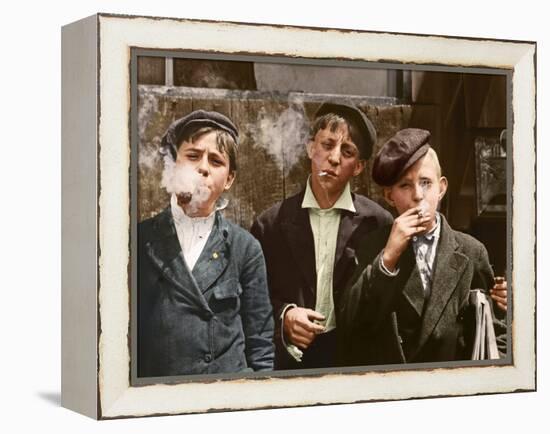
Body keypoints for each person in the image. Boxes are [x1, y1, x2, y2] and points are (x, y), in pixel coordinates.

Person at [339, 128, 507, 365]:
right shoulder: (374, 246)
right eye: (405, 186)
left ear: (442, 188)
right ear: (389, 196)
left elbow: (495, 329)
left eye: (426, 183)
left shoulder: (471, 251)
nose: (418, 195)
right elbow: (351, 325)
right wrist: (387, 259)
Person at [251, 102, 393, 369]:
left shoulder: (378, 224)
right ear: (310, 148)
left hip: (354, 363)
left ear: (359, 167)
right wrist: (285, 316)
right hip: (291, 364)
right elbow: (253, 298)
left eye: (347, 151)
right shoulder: (270, 224)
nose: (335, 157)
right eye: (327, 145)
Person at [138, 110, 274, 377]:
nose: (203, 167)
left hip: (228, 391)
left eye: (215, 160)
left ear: (229, 179)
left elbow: (261, 344)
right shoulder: (140, 240)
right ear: (173, 164)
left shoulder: (245, 248)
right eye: (192, 156)